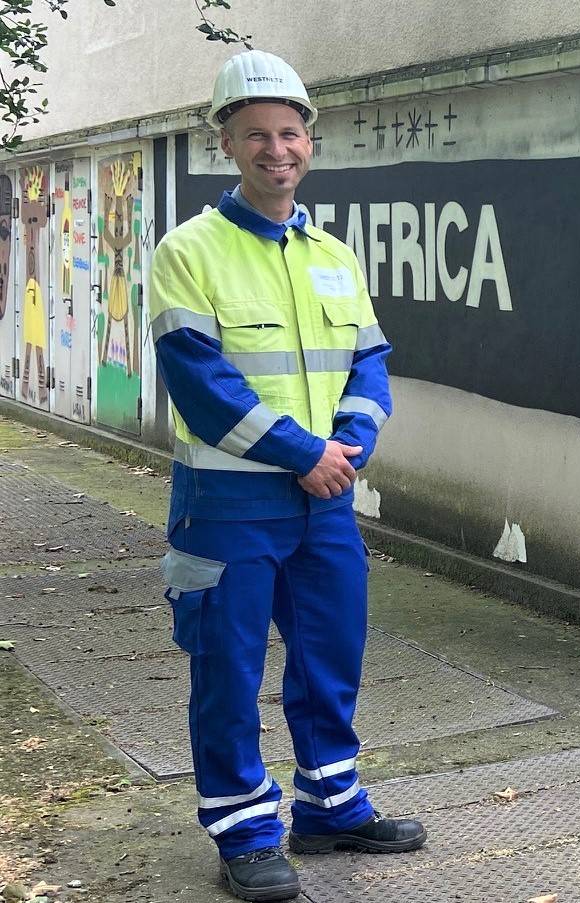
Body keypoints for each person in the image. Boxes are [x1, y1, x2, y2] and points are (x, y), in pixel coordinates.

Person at [150, 49, 421, 902]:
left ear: (310, 141)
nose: (278, 149)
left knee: (330, 655)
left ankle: (331, 803)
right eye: (257, 134)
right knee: (227, 669)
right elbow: (201, 382)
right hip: (228, 504)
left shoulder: (334, 256)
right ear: (226, 143)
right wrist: (307, 455)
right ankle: (243, 827)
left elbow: (370, 366)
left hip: (327, 501)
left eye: (291, 132)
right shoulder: (188, 253)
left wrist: (344, 451)